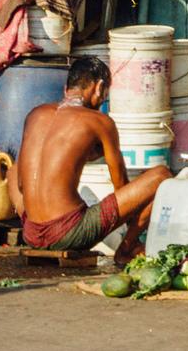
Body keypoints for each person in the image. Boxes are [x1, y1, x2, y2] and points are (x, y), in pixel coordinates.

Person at [14, 56, 170, 258]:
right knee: (161, 174)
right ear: (99, 87)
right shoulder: (100, 121)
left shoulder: (35, 114)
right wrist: (137, 227)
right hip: (67, 233)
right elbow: (120, 186)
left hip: (31, 232)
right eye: (104, 94)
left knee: (11, 168)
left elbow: (20, 184)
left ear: (66, 88)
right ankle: (128, 247)